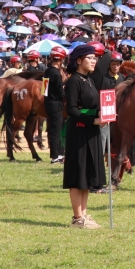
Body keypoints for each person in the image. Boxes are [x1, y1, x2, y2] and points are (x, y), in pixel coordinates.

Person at [62, 44, 105, 228]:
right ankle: (77, 217)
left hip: (91, 130)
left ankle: (85, 215)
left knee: (87, 174)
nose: (93, 60)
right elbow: (71, 109)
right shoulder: (73, 81)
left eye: (95, 58)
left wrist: (104, 115)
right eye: (89, 58)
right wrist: (92, 120)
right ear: (79, 60)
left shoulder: (90, 80)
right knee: (77, 173)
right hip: (78, 131)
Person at [44, 45, 67, 164]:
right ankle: (56, 155)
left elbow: (45, 89)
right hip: (56, 105)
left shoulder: (47, 71)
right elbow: (60, 92)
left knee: (53, 129)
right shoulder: (56, 73)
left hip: (48, 103)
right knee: (56, 130)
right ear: (61, 59)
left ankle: (57, 154)